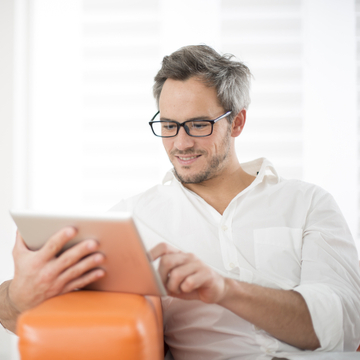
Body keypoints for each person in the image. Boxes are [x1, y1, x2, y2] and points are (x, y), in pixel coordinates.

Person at [1, 45, 360, 359]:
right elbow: (58, 321)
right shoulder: (133, 220)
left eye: (199, 125)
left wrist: (224, 289)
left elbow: (342, 324)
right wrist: (20, 295)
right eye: (169, 125)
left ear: (237, 122)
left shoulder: (308, 202)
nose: (181, 143)